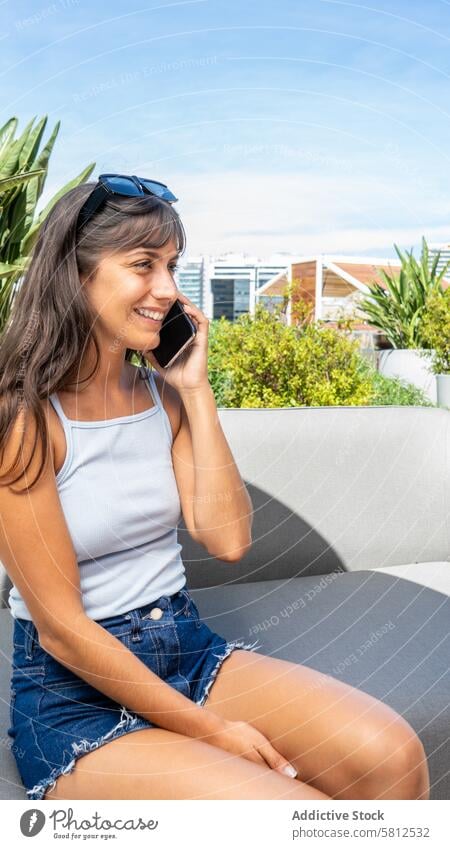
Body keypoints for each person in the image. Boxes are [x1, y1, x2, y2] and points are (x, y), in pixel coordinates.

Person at [0, 175, 429, 802]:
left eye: (172, 266)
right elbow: (62, 628)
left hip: (185, 648)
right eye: (143, 265)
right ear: (75, 273)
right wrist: (212, 730)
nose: (168, 290)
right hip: (74, 694)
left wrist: (195, 391)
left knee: (391, 758)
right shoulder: (25, 420)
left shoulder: (161, 398)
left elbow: (227, 540)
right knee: (291, 813)